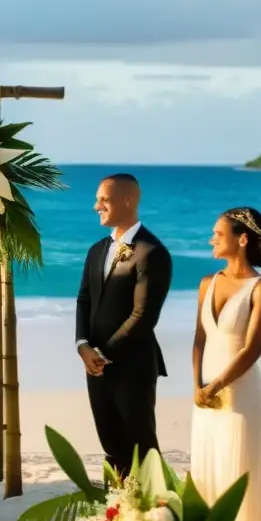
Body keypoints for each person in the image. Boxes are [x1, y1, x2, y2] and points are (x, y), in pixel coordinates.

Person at [75, 173, 172, 478]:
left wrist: (103, 353)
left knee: (142, 448)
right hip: (95, 365)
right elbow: (84, 299)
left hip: (133, 366)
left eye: (103, 199)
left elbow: (143, 316)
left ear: (127, 200)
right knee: (112, 447)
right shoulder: (97, 250)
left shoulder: (151, 252)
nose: (96, 206)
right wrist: (83, 345)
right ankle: (115, 518)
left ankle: (152, 518)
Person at [190, 207, 261, 521]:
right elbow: (199, 339)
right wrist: (198, 386)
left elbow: (253, 349)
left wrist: (216, 385)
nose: (211, 239)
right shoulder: (207, 282)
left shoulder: (260, 288)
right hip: (206, 397)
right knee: (209, 467)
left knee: (239, 466)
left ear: (241, 240)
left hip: (240, 396)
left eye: (218, 234)